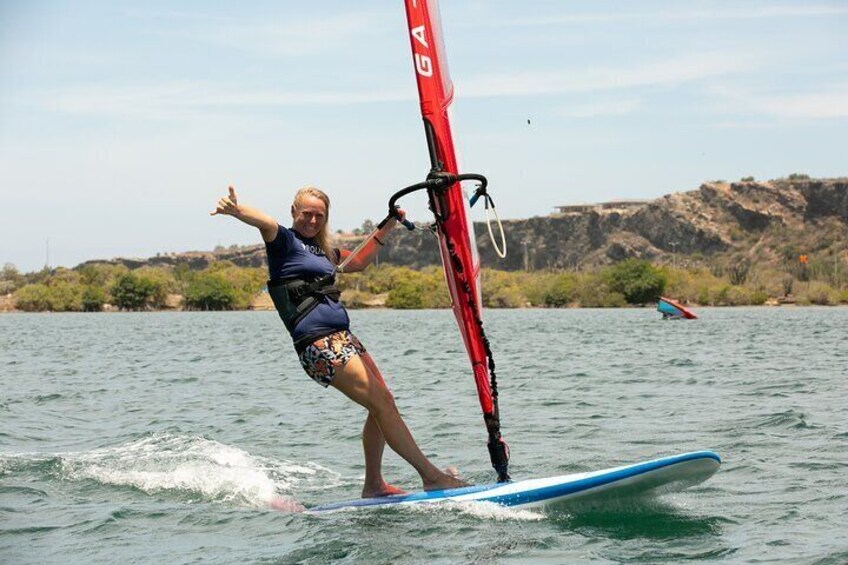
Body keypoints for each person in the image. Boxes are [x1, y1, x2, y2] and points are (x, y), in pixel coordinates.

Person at [211, 185, 467, 500]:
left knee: (383, 402)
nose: (313, 220)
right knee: (382, 404)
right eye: (307, 214)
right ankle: (431, 477)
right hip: (319, 344)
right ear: (294, 212)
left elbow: (357, 261)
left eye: (320, 215)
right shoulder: (285, 243)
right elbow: (264, 222)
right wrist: (238, 211)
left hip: (344, 338)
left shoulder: (323, 252)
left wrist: (388, 224)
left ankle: (374, 484)